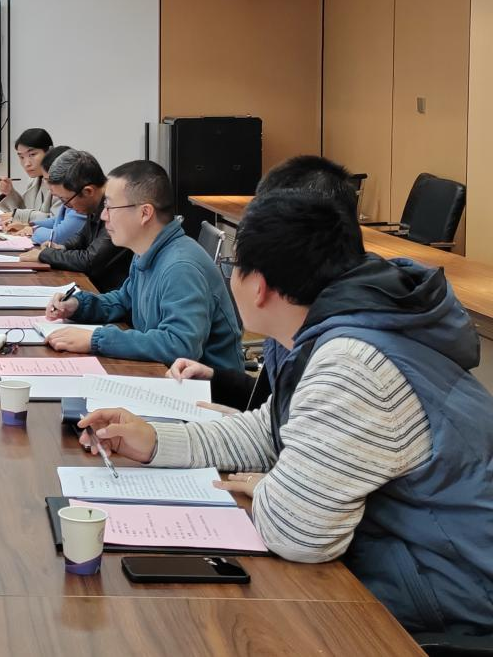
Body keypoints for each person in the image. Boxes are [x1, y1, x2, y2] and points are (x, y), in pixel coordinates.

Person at [79, 190, 493, 644]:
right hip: (398, 566)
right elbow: (270, 431)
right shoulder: (331, 327)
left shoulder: (353, 365)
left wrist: (270, 486)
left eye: (233, 265)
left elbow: (297, 533)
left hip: (445, 600)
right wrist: (157, 441)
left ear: (258, 286)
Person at [168, 154, 361, 410]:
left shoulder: (341, 360)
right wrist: (216, 379)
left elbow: (288, 422)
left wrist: (241, 423)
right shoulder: (298, 318)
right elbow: (275, 404)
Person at [43, 160, 243, 370]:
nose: (103, 215)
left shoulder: (181, 267)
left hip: (204, 388)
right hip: (165, 376)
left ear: (145, 213)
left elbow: (180, 346)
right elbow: (124, 300)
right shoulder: (146, 251)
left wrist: (96, 339)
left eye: (110, 207)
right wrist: (78, 306)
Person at [19, 149, 132, 292]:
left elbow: (90, 261)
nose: (66, 207)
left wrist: (45, 255)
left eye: (65, 200)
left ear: (88, 191)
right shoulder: (94, 204)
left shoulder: (116, 208)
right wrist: (61, 248)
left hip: (110, 294)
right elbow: (82, 237)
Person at [4, 146, 86, 243]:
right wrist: (28, 226)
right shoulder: (69, 194)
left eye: (32, 154)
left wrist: (33, 230)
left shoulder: (80, 200)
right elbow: (57, 220)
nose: (48, 186)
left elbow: (57, 237)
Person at [0, 127, 53, 224]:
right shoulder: (33, 180)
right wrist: (10, 192)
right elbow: (25, 212)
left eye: (32, 155)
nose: (27, 164)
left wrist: (18, 215)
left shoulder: (61, 180)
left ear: (49, 151)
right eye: (21, 157)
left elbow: (56, 220)